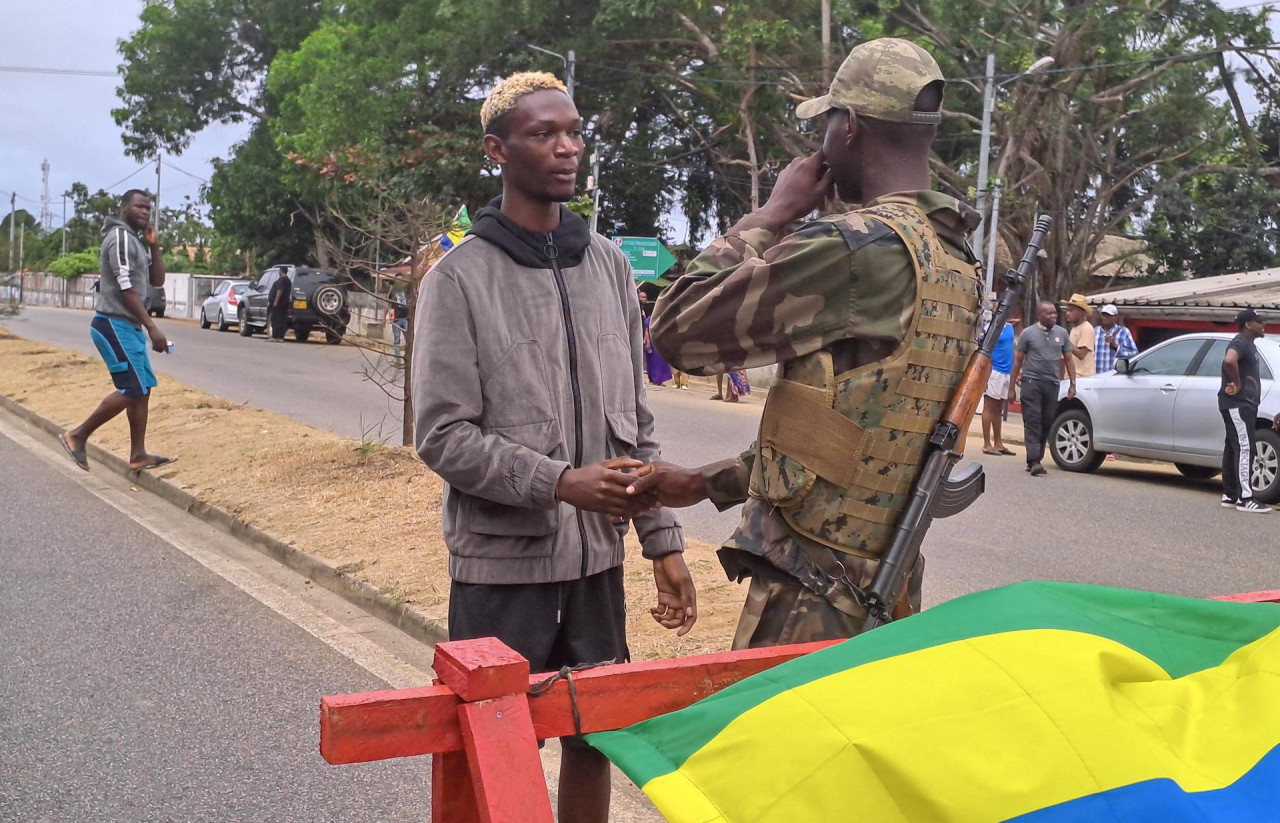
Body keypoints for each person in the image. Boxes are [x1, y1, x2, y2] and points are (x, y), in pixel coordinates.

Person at [628, 39, 983, 648]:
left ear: (848, 127)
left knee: (771, 741)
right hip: (886, 588)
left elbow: (676, 330)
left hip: (813, 595)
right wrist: (706, 483)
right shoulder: (955, 257)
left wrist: (768, 215)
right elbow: (849, 434)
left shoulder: (853, 247)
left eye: (826, 123)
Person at [411, 71, 696, 823]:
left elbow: (632, 418)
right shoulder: (458, 278)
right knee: (491, 744)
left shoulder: (606, 265)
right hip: (501, 566)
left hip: (595, 564)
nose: (567, 147)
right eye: (545, 134)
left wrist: (661, 540)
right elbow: (441, 435)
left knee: (594, 737)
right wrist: (561, 481)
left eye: (574, 132)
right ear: (496, 151)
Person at [59, 190, 175, 473]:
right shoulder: (120, 237)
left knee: (143, 389)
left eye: (148, 208)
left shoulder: (136, 242)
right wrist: (152, 327)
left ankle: (138, 455)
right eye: (139, 206)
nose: (145, 212)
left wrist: (154, 246)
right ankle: (77, 435)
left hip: (128, 327)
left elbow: (157, 280)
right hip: (113, 324)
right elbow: (127, 291)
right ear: (124, 207)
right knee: (131, 388)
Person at [1009, 301, 1076, 477]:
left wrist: (1072, 384)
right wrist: (1011, 388)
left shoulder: (1062, 333)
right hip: (1031, 382)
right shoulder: (1028, 333)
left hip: (1052, 384)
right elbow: (1018, 361)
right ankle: (1034, 461)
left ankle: (1036, 458)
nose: (1053, 316)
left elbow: (1069, 359)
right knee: (1033, 421)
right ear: (1039, 315)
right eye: (1049, 313)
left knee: (1047, 421)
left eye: (1054, 313)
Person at [1219, 308, 1270, 513]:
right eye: (1259, 321)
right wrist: (1237, 384)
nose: (1263, 324)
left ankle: (1230, 495)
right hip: (1238, 404)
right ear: (1248, 325)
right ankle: (1245, 498)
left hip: (1239, 405)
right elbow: (1229, 360)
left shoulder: (1248, 344)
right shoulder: (1241, 341)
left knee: (1233, 447)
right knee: (1245, 447)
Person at [981, 312, 1018, 456]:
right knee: (989, 407)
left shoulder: (1010, 327)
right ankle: (986, 444)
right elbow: (983, 349)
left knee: (998, 409)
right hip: (994, 370)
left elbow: (1011, 349)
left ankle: (998, 442)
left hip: (1007, 371)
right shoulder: (989, 328)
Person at [639, 287, 673, 386]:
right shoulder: (647, 316)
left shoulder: (660, 317)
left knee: (659, 361)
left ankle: (658, 379)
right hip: (650, 341)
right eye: (642, 297)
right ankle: (653, 378)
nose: (644, 299)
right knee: (652, 361)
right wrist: (647, 340)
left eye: (645, 297)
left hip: (658, 342)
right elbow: (646, 328)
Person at [1094, 304, 1138, 372]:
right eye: (1103, 315)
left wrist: (1116, 347)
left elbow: (1134, 354)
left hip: (1115, 377)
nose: (1105, 318)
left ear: (1115, 317)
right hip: (1097, 376)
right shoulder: (1094, 331)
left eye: (1108, 315)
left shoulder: (1124, 332)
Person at [1062, 293, 1096, 378]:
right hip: (1072, 376)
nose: (1068, 313)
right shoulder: (1074, 329)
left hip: (1083, 377)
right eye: (1067, 310)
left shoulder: (1087, 328)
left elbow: (1081, 354)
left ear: (1081, 312)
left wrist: (1065, 341)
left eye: (1071, 310)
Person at [267, 265, 292, 342]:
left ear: (281, 271)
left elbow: (279, 291)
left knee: (275, 320)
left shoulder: (281, 280)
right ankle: (280, 337)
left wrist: (275, 302)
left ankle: (275, 336)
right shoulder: (288, 281)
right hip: (285, 303)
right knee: (282, 320)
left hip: (278, 304)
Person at [386, 288, 409, 362]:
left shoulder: (407, 291)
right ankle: (397, 360)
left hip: (406, 319)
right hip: (396, 320)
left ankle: (409, 359)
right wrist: (385, 317)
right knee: (396, 341)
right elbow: (388, 305)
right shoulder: (392, 291)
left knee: (409, 341)